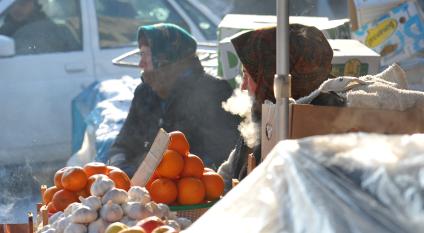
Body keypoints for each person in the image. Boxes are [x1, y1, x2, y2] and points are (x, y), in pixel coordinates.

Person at [108, 23, 240, 177]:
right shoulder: (145, 93)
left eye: (145, 55)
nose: (140, 64)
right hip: (146, 190)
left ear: (164, 58)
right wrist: (123, 173)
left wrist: (172, 174)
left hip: (194, 189)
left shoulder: (213, 92)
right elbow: (122, 145)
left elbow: (223, 156)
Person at [218, 24, 334, 191]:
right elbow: (231, 171)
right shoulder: (264, 117)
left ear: (268, 74)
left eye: (247, 75)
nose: (242, 86)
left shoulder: (309, 126)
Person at [0, 0, 79, 54]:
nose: (16, 8)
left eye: (23, 3)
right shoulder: (3, 33)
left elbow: (76, 54)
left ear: (34, 4)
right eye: (12, 5)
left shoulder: (57, 30)